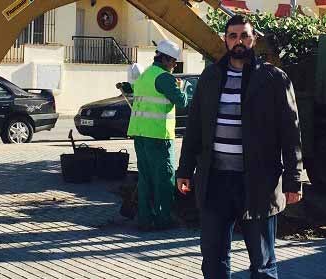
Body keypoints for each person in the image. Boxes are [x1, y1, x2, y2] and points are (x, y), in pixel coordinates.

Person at [175, 15, 304, 279]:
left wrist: (293, 180)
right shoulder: (211, 77)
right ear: (225, 40)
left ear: (253, 39)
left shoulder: (273, 79)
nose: (239, 41)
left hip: (258, 183)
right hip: (215, 183)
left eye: (244, 36)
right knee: (213, 259)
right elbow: (195, 128)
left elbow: (291, 133)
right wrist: (185, 170)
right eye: (233, 36)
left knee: (263, 263)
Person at [127, 40, 188, 231]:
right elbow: (182, 101)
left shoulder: (145, 75)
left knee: (145, 178)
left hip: (140, 134)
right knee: (164, 178)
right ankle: (164, 220)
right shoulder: (165, 78)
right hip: (158, 136)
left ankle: (145, 219)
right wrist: (184, 87)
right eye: (174, 62)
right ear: (167, 58)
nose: (174, 66)